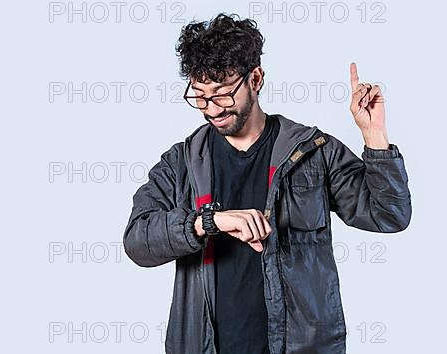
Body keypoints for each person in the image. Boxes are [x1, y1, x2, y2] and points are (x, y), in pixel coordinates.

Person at [122, 13, 411, 354]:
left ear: (255, 78)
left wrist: (374, 135)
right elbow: (138, 240)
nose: (210, 108)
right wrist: (207, 222)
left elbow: (389, 215)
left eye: (223, 94)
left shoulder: (313, 151)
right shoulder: (181, 162)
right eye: (199, 95)